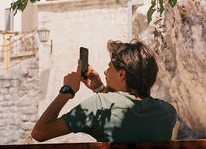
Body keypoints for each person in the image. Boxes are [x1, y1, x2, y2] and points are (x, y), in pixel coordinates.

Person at [31, 40, 177, 142]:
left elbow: (40, 132)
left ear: (122, 74)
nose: (105, 72)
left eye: (110, 68)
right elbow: (122, 107)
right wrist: (100, 88)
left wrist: (67, 90)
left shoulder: (98, 105)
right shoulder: (168, 112)